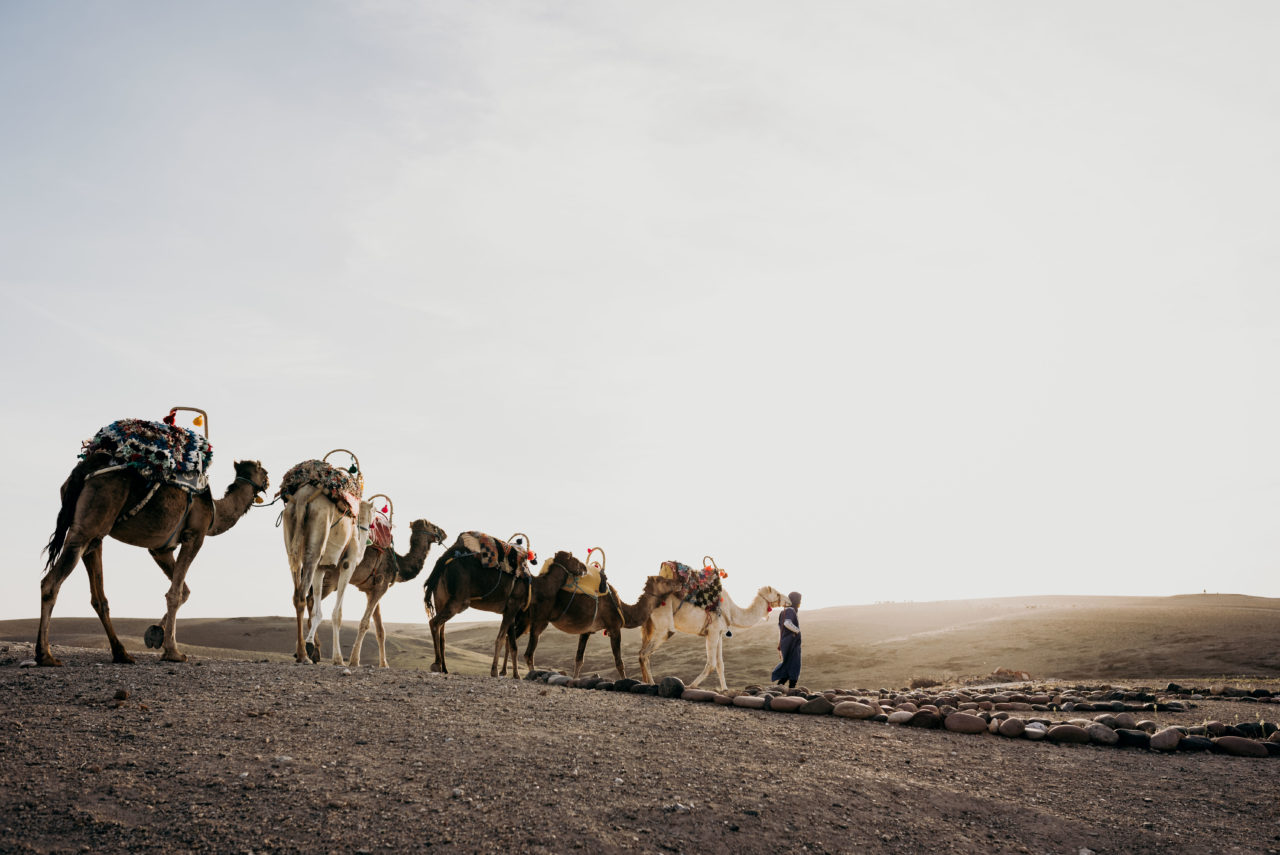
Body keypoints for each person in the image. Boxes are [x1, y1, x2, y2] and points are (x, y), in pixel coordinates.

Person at [770, 591, 802, 689]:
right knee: (794, 662)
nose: (800, 602)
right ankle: (791, 688)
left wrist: (780, 643)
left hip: (786, 642)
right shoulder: (790, 610)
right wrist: (797, 631)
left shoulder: (784, 611)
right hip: (791, 642)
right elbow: (787, 623)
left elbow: (781, 629)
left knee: (788, 663)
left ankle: (780, 687)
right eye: (800, 600)